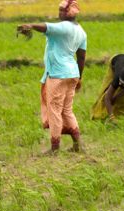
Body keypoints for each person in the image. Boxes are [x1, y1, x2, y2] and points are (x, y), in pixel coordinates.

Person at [17, 0, 86, 154]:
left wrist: (31, 26)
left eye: (62, 10)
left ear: (69, 13)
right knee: (67, 110)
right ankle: (77, 145)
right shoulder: (81, 31)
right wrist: (79, 77)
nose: (59, 13)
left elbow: (46, 27)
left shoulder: (63, 27)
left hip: (58, 74)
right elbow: (81, 58)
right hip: (72, 73)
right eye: (59, 10)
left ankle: (54, 148)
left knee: (54, 110)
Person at [91, 54, 124, 121]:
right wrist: (111, 117)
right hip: (115, 60)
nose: (122, 86)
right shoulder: (116, 78)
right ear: (119, 80)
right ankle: (99, 114)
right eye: (121, 84)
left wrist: (116, 97)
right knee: (106, 89)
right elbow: (107, 98)